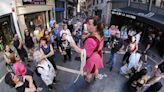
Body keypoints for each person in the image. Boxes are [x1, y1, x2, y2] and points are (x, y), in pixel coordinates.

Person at [71, 16, 104, 82]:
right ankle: (96, 76)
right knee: (95, 68)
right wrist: (87, 35)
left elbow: (84, 53)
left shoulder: (91, 40)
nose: (86, 25)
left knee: (88, 72)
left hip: (91, 58)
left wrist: (74, 46)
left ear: (96, 26)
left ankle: (88, 79)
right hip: (98, 55)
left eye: (89, 24)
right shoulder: (100, 33)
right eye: (87, 23)